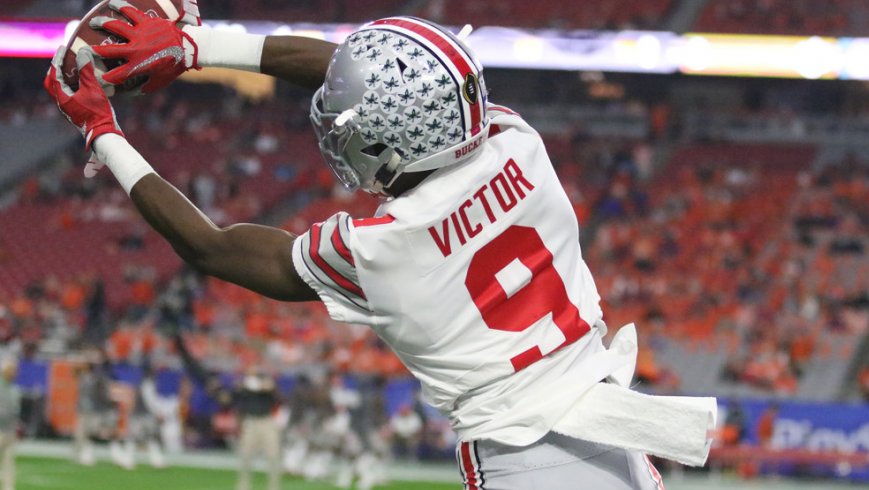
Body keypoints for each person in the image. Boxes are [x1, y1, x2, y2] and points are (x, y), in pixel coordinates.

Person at [43, 2, 717, 487]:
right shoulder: (518, 142)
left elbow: (212, 248)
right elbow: (371, 76)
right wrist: (201, 47)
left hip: (524, 460)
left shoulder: (387, 247)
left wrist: (102, 130)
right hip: (615, 436)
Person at [172, 333, 281, 490]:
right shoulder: (242, 383)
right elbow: (228, 399)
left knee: (273, 456)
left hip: (266, 421)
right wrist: (217, 392)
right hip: (250, 422)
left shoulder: (265, 379)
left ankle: (274, 487)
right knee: (245, 457)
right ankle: (244, 486)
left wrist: (259, 385)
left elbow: (274, 394)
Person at [0, 360, 19, 490]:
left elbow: (15, 411)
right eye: (11, 370)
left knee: (9, 461)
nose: (13, 373)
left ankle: (8, 487)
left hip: (9, 430)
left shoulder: (14, 389)